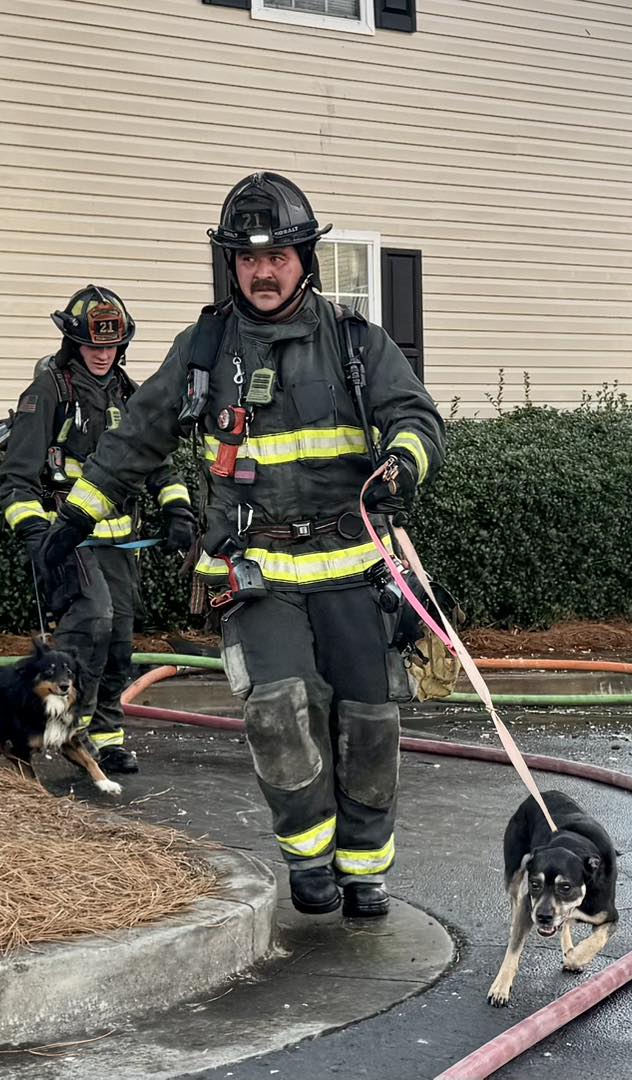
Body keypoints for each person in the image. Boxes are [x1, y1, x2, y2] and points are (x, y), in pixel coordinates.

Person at [36, 173, 446, 919]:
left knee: (368, 725)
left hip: (354, 567)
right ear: (230, 263)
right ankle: (308, 860)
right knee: (279, 714)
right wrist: (72, 521)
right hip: (255, 575)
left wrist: (402, 462)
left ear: (304, 259)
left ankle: (365, 868)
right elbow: (137, 437)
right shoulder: (206, 348)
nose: (263, 271)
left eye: (278, 256)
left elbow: (416, 415)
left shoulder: (357, 343)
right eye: (247, 258)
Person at [0, 286, 196, 774]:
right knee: (93, 626)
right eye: (93, 347)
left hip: (119, 546)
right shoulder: (49, 392)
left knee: (121, 640)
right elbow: (16, 479)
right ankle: (67, 730)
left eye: (110, 347)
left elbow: (158, 463)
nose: (103, 355)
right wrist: (36, 536)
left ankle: (107, 737)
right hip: (69, 542)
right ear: (74, 344)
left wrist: (177, 511)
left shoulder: (129, 394)